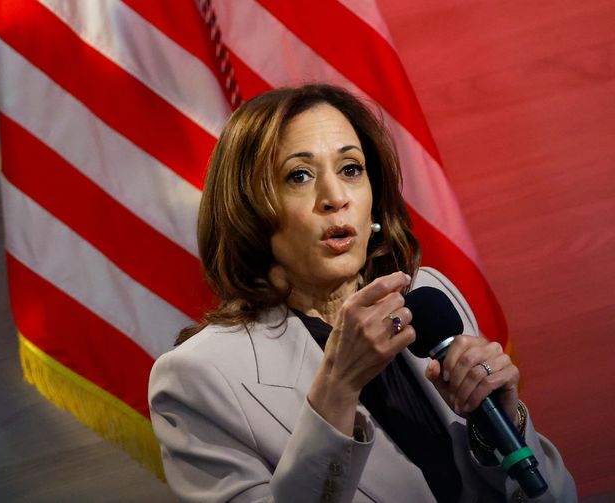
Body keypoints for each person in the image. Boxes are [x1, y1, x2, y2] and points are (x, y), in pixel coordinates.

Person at [148, 84, 575, 502]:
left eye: (351, 169)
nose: (335, 198)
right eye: (299, 176)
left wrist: (499, 429)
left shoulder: (427, 295)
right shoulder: (197, 379)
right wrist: (338, 387)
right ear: (249, 213)